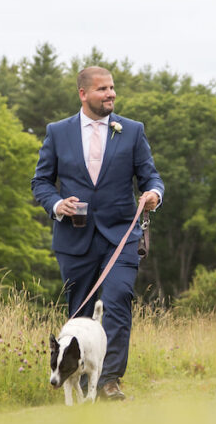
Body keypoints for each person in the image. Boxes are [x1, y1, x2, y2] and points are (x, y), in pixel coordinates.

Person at [31, 66, 164, 400]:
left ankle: (108, 381)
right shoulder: (57, 132)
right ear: (83, 94)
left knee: (118, 300)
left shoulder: (132, 131)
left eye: (112, 88)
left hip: (121, 235)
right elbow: (41, 182)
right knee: (79, 313)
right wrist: (57, 203)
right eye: (103, 89)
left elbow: (151, 177)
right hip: (74, 239)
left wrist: (153, 195)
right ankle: (76, 381)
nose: (111, 94)